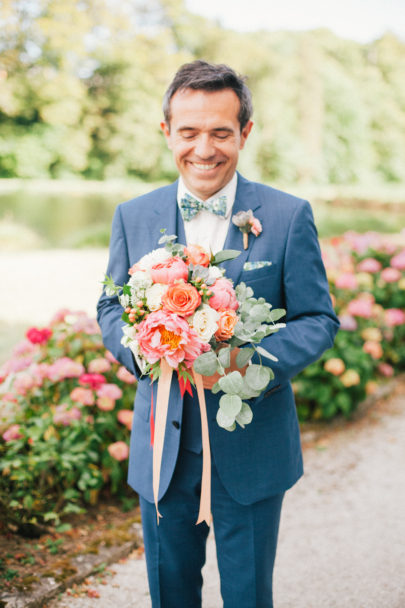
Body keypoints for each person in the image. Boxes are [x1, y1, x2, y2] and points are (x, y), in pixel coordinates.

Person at [97, 60, 339, 608]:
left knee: (249, 596)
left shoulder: (286, 215)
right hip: (162, 450)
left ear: (245, 133)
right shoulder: (132, 216)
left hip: (252, 452)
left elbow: (318, 320)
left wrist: (249, 366)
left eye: (220, 132)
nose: (203, 148)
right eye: (188, 132)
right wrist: (141, 349)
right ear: (167, 132)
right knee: (171, 595)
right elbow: (110, 304)